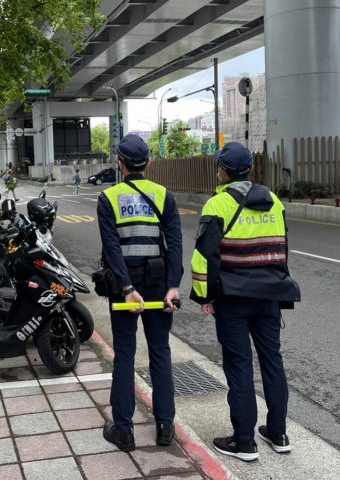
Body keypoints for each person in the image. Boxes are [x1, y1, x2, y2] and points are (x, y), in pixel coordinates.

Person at [190, 142, 301, 462]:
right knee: (272, 361)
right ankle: (278, 433)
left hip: (234, 299)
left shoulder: (218, 204)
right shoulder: (274, 201)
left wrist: (205, 296)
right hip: (269, 296)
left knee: (239, 365)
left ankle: (244, 441)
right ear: (250, 169)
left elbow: (205, 257)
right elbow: (282, 249)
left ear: (223, 171)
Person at [97, 133, 183, 452]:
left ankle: (124, 430)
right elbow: (175, 243)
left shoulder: (108, 198)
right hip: (159, 281)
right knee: (160, 350)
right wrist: (173, 285)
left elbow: (112, 248)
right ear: (148, 162)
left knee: (125, 353)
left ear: (120, 162)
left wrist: (127, 288)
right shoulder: (164, 195)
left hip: (125, 287)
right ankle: (164, 426)